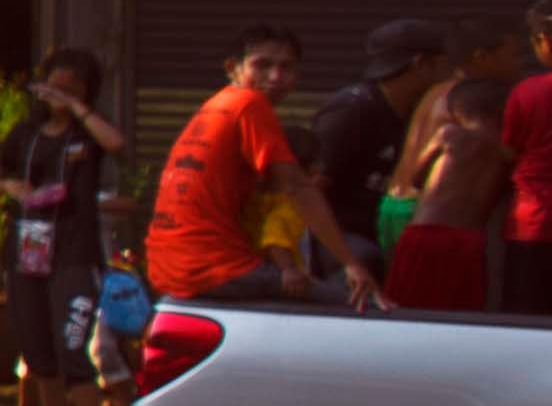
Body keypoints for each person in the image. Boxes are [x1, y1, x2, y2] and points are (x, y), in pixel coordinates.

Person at [143, 29, 379, 315]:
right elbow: (297, 188)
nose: (276, 77)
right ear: (233, 68)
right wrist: (352, 265)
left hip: (168, 266)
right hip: (214, 267)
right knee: (359, 305)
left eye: (286, 67)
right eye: (263, 65)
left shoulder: (215, 105)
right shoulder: (249, 104)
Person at [0, 51, 127, 406]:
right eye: (56, 84)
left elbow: (117, 144)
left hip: (73, 252)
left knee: (73, 351)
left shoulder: (87, 135)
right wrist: (9, 186)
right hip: (28, 251)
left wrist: (77, 109)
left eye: (74, 86)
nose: (62, 93)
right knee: (38, 352)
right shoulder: (26, 133)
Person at [294, 20, 448, 285]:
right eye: (443, 64)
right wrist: (347, 260)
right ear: (422, 64)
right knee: (366, 260)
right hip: (338, 234)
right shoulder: (352, 112)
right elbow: (309, 191)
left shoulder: (416, 112)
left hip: (382, 228)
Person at [395, 51, 508, 313]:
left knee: (411, 307)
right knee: (460, 310)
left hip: (425, 234)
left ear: (457, 112)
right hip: (468, 239)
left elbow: (416, 177)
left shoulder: (447, 135)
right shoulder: (505, 152)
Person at [499, 0, 552, 319]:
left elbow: (508, 151)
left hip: (537, 227)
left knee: (529, 329)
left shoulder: (530, 91)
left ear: (546, 41)